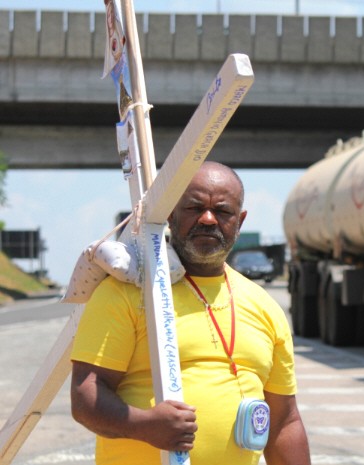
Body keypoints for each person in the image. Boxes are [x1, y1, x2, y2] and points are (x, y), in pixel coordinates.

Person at [70, 161, 311, 465]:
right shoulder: (128, 293)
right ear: (170, 214)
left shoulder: (264, 306)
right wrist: (143, 425)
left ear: (240, 221)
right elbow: (85, 396)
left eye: (222, 211)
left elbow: (284, 423)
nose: (208, 219)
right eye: (194, 208)